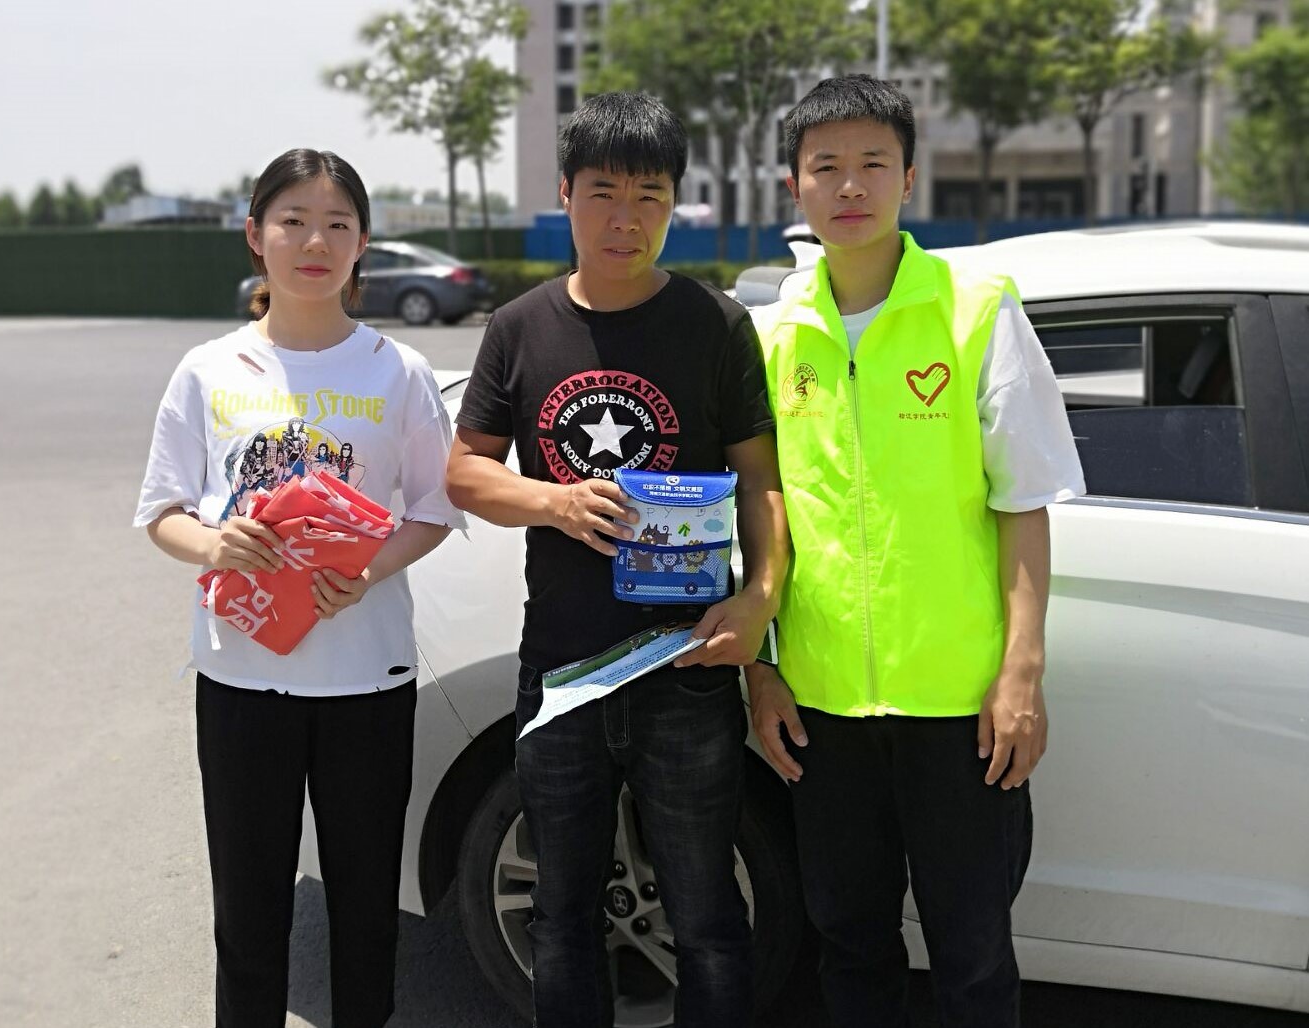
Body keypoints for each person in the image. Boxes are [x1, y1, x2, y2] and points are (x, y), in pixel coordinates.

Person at [746, 75, 1086, 1028]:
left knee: (972, 954)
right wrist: (762, 671)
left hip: (960, 708)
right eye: (827, 167)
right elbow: (760, 516)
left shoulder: (975, 309)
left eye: (873, 164)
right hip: (821, 707)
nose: (850, 186)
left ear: (908, 177)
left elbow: (1024, 504)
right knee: (849, 945)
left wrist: (1021, 674)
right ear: (795, 186)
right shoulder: (774, 335)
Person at [446, 92, 788, 1028]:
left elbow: (761, 482)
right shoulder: (519, 327)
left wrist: (760, 600)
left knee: (708, 917)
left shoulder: (717, 325)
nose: (626, 218)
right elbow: (466, 474)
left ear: (675, 204)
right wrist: (554, 501)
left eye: (650, 196)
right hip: (564, 671)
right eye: (603, 192)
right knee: (561, 917)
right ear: (565, 194)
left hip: (689, 665)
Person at [133, 147, 464, 1028]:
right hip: (241, 678)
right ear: (256, 235)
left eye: (336, 224)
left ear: (362, 244)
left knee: (366, 910)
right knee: (248, 916)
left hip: (367, 681)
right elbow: (162, 511)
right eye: (293, 221)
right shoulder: (208, 370)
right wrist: (214, 541)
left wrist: (369, 567)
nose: (315, 241)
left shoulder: (398, 372)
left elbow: (435, 510)